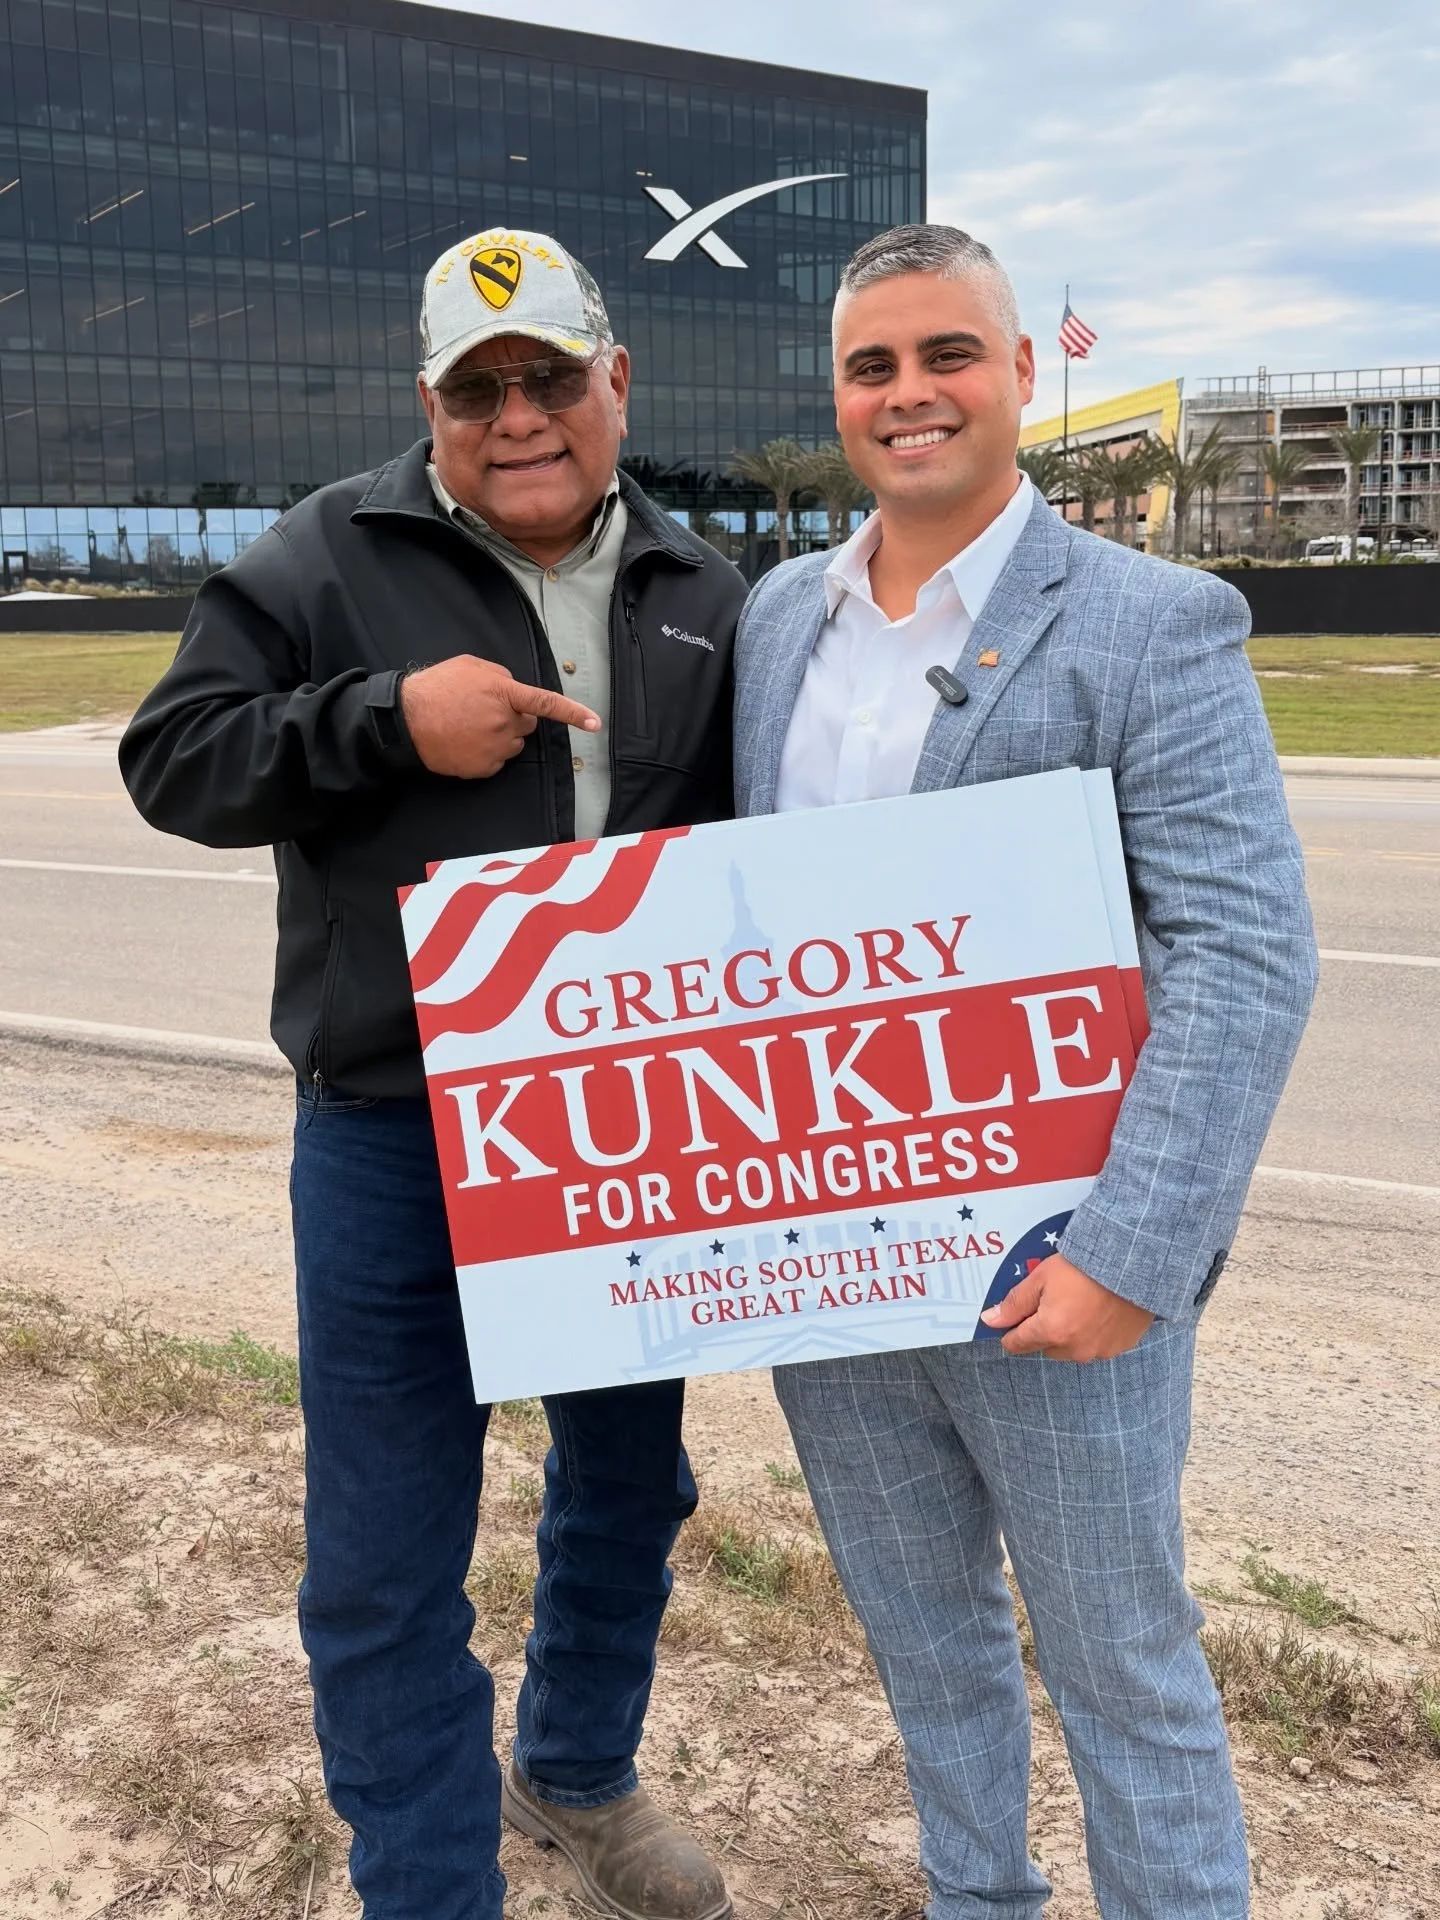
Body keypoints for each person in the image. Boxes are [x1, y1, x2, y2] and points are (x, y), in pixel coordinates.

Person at [120, 226, 743, 1920]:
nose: (520, 414)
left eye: (552, 376)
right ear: (431, 406)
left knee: (630, 1482)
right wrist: (385, 718)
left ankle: (578, 1770)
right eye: (480, 391)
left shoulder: (705, 586)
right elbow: (170, 758)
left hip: (626, 1130)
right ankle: (427, 1887)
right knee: (388, 1555)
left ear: (618, 381)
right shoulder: (326, 553)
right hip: (397, 1137)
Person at [734, 224, 1318, 1918]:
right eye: (872, 366)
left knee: (1127, 1677)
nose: (909, 395)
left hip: (1056, 1279)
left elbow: (1245, 951)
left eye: (945, 357)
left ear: (1017, 375)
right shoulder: (784, 618)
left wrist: (1131, 1257)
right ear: (839, 395)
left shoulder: (1151, 623)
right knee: (929, 1667)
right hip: (837, 1275)